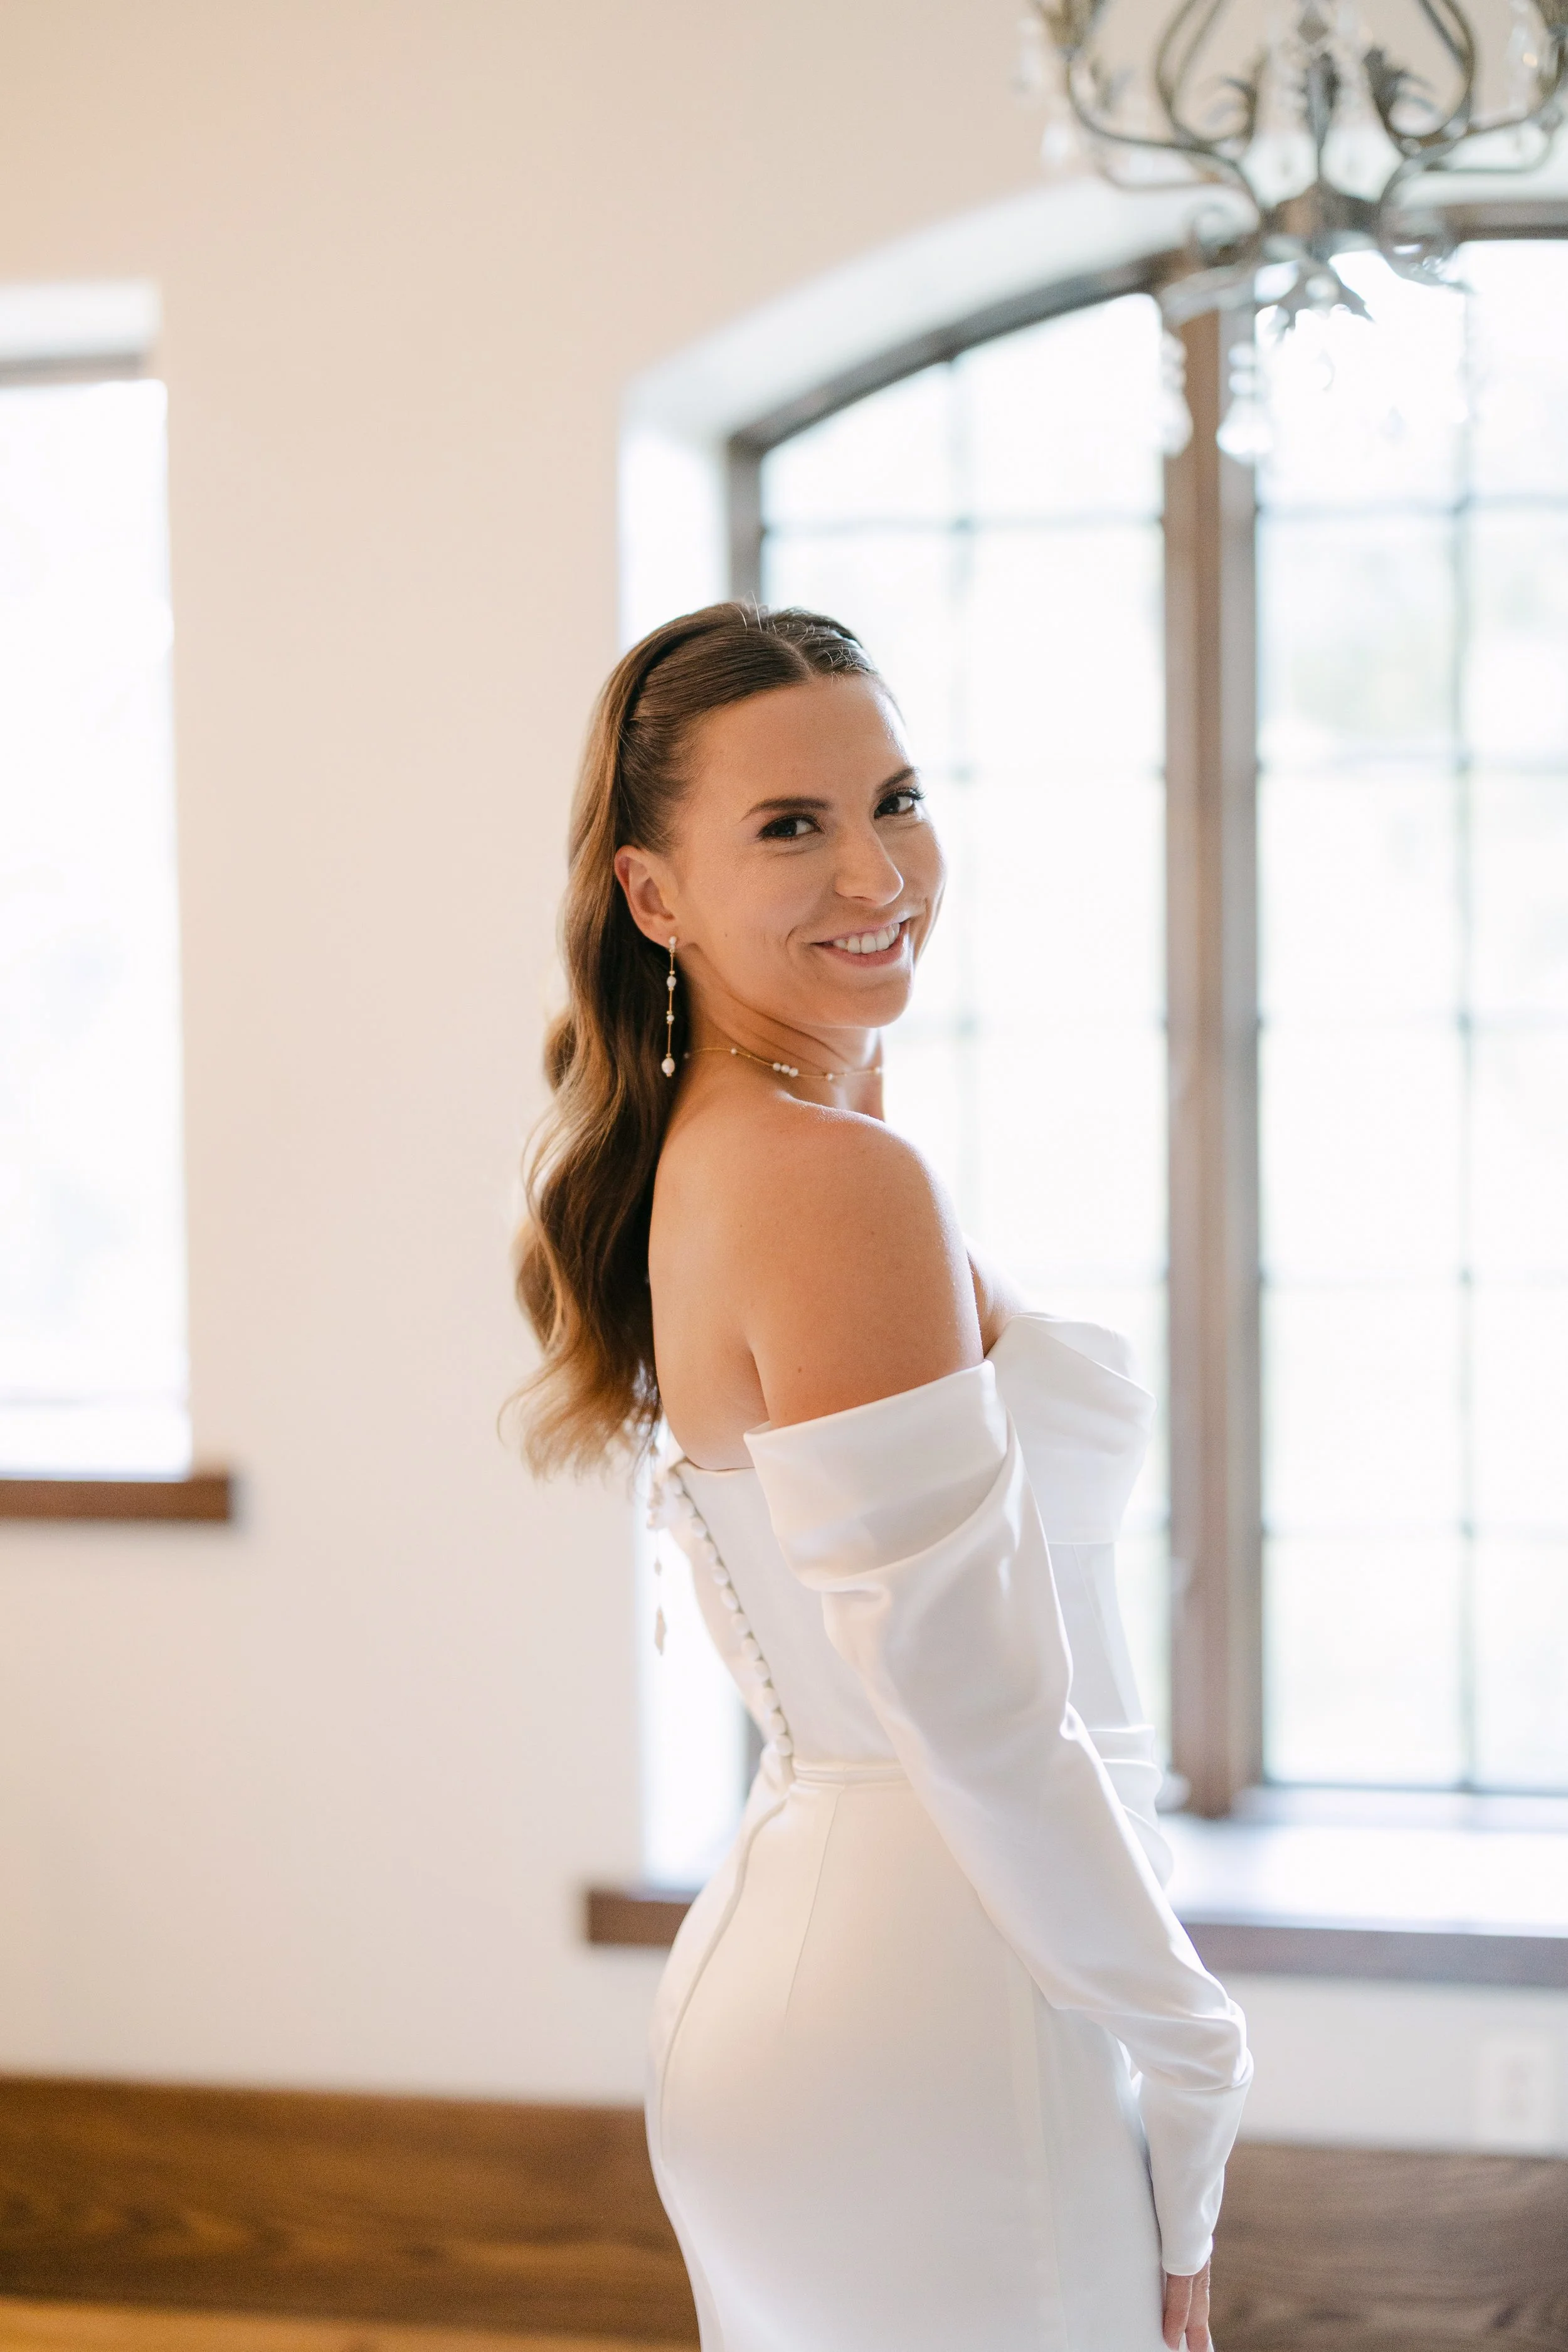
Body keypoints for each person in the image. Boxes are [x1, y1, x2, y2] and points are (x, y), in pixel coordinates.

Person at [514, 602, 1252, 2352]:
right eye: (790, 824)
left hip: (854, 1976)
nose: (875, 868)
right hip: (950, 2002)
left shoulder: (736, 1150)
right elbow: (973, 1704)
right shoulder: (826, 1176)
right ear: (652, 895)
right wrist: (1195, 2043)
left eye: (895, 798)